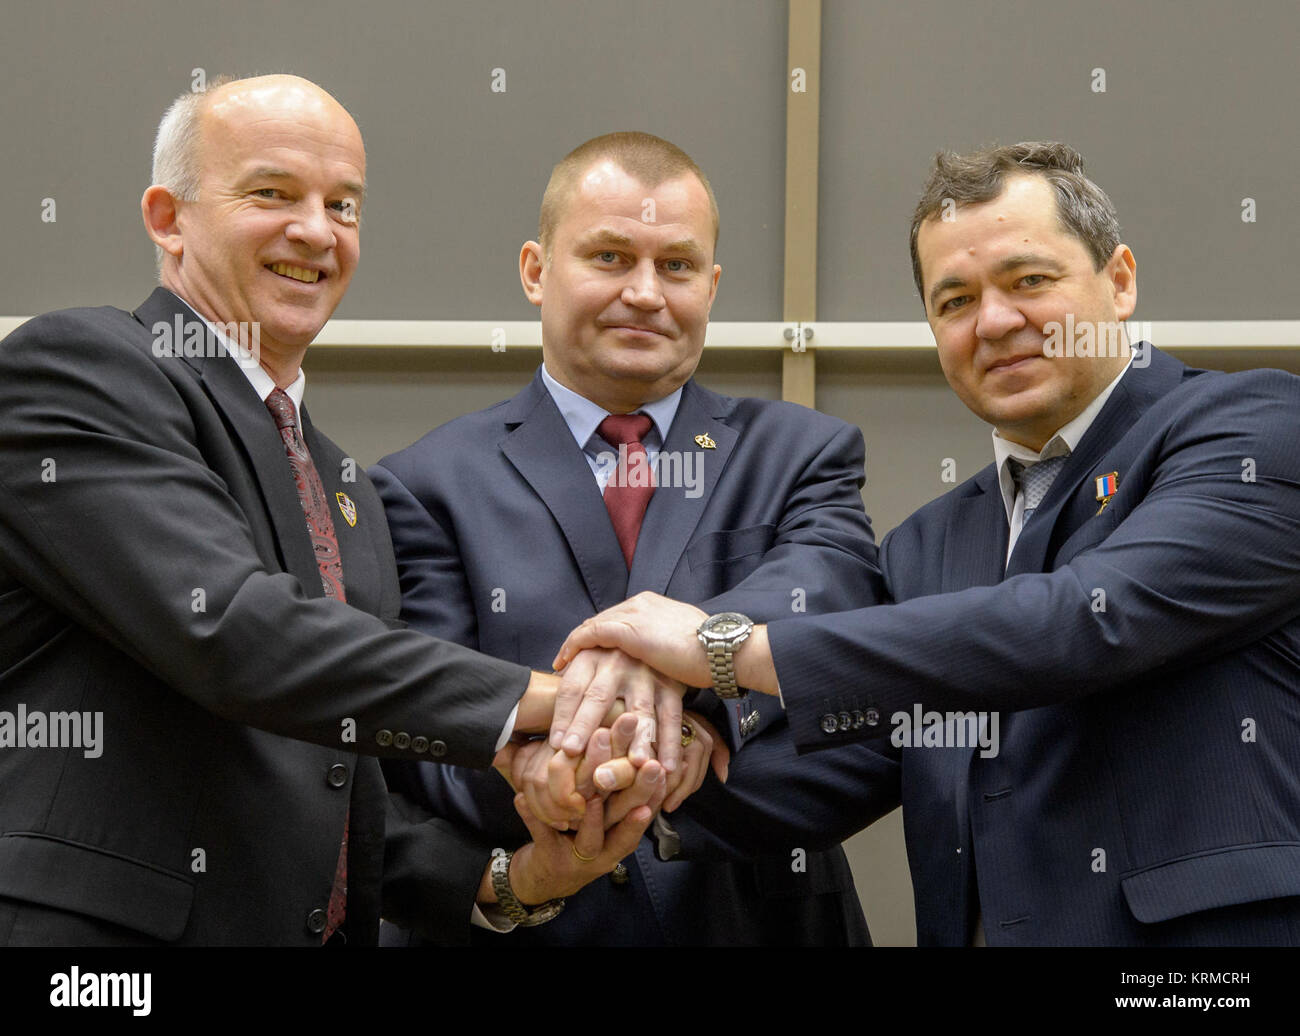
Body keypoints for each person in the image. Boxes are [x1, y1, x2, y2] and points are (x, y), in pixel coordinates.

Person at [553, 141, 1300, 946]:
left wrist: (727, 648)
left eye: (1029, 281)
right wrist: (637, 767)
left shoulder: (1249, 429)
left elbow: (1085, 621)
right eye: (954, 301)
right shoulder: (928, 545)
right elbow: (852, 764)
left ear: (1118, 282)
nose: (997, 321)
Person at [0, 75, 659, 947]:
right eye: (272, 193)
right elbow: (234, 633)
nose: (316, 231)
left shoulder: (344, 482)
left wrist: (518, 878)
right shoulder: (81, 369)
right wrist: (548, 703)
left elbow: (341, 775)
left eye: (343, 205)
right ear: (168, 218)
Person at [371, 132, 898, 945]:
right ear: (535, 270)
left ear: (712, 286)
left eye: (677, 266)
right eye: (611, 257)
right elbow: (424, 731)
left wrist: (696, 702)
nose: (646, 293)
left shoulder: (804, 452)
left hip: (760, 921)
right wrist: (556, 774)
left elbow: (832, 605)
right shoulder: (423, 483)